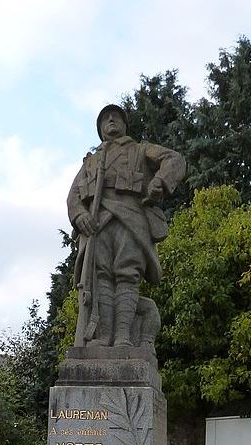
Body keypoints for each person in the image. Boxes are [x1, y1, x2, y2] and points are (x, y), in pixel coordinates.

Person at [67, 104, 186, 348]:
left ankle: (123, 337)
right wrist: (79, 215)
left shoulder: (141, 151)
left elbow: (175, 159)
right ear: (100, 129)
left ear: (124, 124)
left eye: (116, 117)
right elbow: (73, 197)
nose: (111, 120)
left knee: (127, 275)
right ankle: (103, 336)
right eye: (105, 118)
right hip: (97, 225)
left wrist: (160, 182)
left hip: (130, 220)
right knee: (101, 279)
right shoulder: (89, 162)